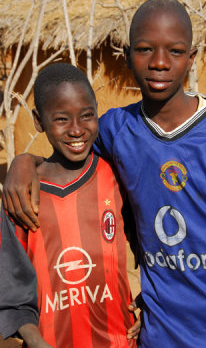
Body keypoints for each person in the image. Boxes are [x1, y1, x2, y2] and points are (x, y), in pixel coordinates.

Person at [3, 0, 206, 347]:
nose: (159, 63)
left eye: (174, 51)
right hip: (160, 335)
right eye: (145, 49)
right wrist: (23, 162)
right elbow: (64, 152)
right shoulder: (116, 129)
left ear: (191, 59)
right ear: (127, 56)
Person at [0, 63, 140, 348]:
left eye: (87, 116)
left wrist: (149, 300)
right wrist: (34, 340)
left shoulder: (115, 176)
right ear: (39, 121)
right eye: (62, 119)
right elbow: (12, 291)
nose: (77, 130)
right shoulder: (21, 196)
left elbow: (150, 244)